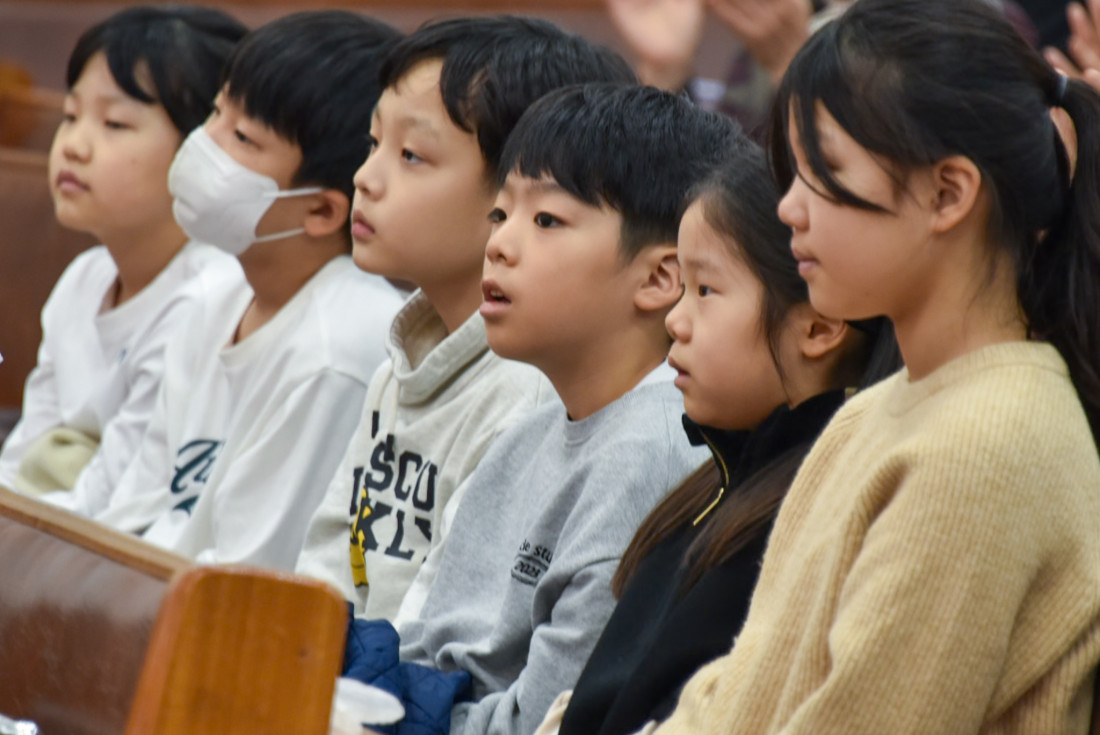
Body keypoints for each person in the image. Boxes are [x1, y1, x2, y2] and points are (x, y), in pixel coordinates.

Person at [654, 0, 1100, 732]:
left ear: (948, 194)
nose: (789, 209)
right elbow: (747, 684)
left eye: (822, 173)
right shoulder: (872, 410)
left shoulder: (986, 446)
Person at [343, 83, 741, 735]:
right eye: (501, 214)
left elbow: (546, 720)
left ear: (658, 278)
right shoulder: (528, 433)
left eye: (546, 220)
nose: (499, 244)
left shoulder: (652, 451)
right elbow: (420, 646)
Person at [536, 145, 898, 735]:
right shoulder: (721, 477)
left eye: (705, 290)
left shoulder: (799, 516)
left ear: (819, 326)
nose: (675, 321)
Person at [295, 17, 636, 620]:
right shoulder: (400, 364)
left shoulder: (530, 391)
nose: (365, 178)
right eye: (373, 144)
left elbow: (440, 626)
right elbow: (326, 565)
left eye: (411, 155)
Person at [93, 11, 405, 571]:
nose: (202, 144)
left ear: (320, 210)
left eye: (242, 138)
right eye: (217, 112)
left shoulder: (338, 351)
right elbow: (132, 512)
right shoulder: (213, 301)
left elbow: (252, 576)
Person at [0, 6, 245, 503]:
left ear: (204, 149)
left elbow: (112, 505)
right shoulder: (84, 278)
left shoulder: (210, 299)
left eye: (114, 123)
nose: (73, 146)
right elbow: (20, 463)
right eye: (71, 116)